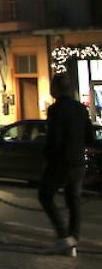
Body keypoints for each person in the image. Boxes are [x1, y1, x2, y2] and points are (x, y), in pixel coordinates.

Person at [38, 72, 93, 257]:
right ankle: (73, 239)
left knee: (45, 195)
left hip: (61, 162)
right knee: (73, 200)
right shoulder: (81, 109)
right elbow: (90, 137)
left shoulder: (56, 110)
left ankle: (63, 236)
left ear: (56, 89)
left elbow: (54, 139)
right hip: (78, 162)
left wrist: (47, 156)